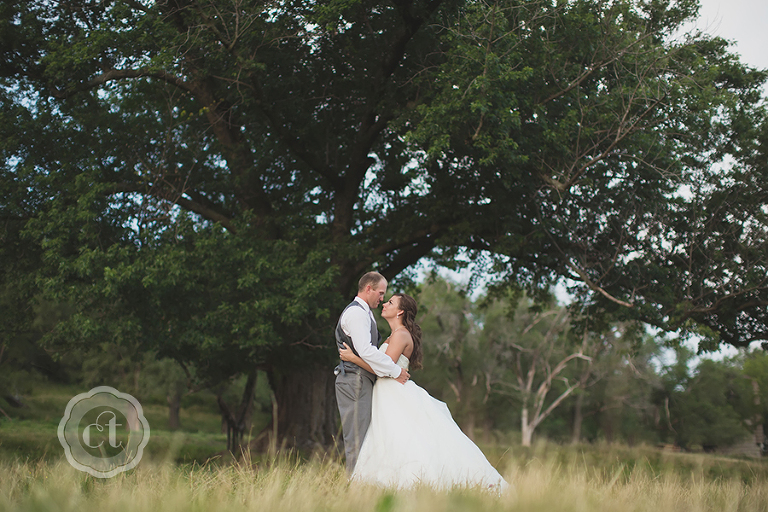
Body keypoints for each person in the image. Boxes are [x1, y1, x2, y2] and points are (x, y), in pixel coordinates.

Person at [339, 293, 508, 490]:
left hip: (394, 393)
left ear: (400, 311)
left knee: (406, 439)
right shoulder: (393, 335)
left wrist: (353, 358)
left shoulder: (401, 335)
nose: (385, 304)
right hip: (386, 393)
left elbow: (383, 368)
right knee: (389, 440)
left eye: (390, 302)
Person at [334, 272, 410, 475]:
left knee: (365, 437)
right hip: (354, 380)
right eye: (381, 293)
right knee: (357, 438)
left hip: (360, 380)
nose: (382, 298)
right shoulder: (357, 313)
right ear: (368, 289)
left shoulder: (365, 312)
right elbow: (367, 351)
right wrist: (395, 371)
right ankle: (355, 489)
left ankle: (364, 485)